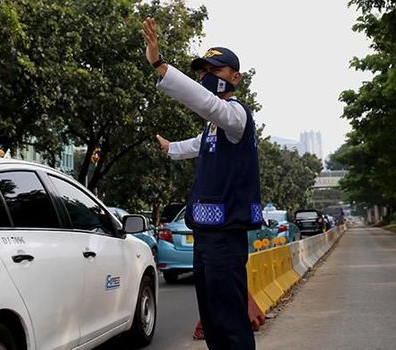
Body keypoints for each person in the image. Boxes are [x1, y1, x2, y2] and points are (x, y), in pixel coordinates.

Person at [142, 17, 261, 350]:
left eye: (215, 71)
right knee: (211, 319)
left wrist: (160, 65)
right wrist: (170, 148)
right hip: (206, 236)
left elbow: (209, 105)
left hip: (227, 236)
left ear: (235, 77)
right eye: (203, 71)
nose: (207, 77)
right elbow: (194, 145)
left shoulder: (236, 115)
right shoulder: (212, 128)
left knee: (230, 319)